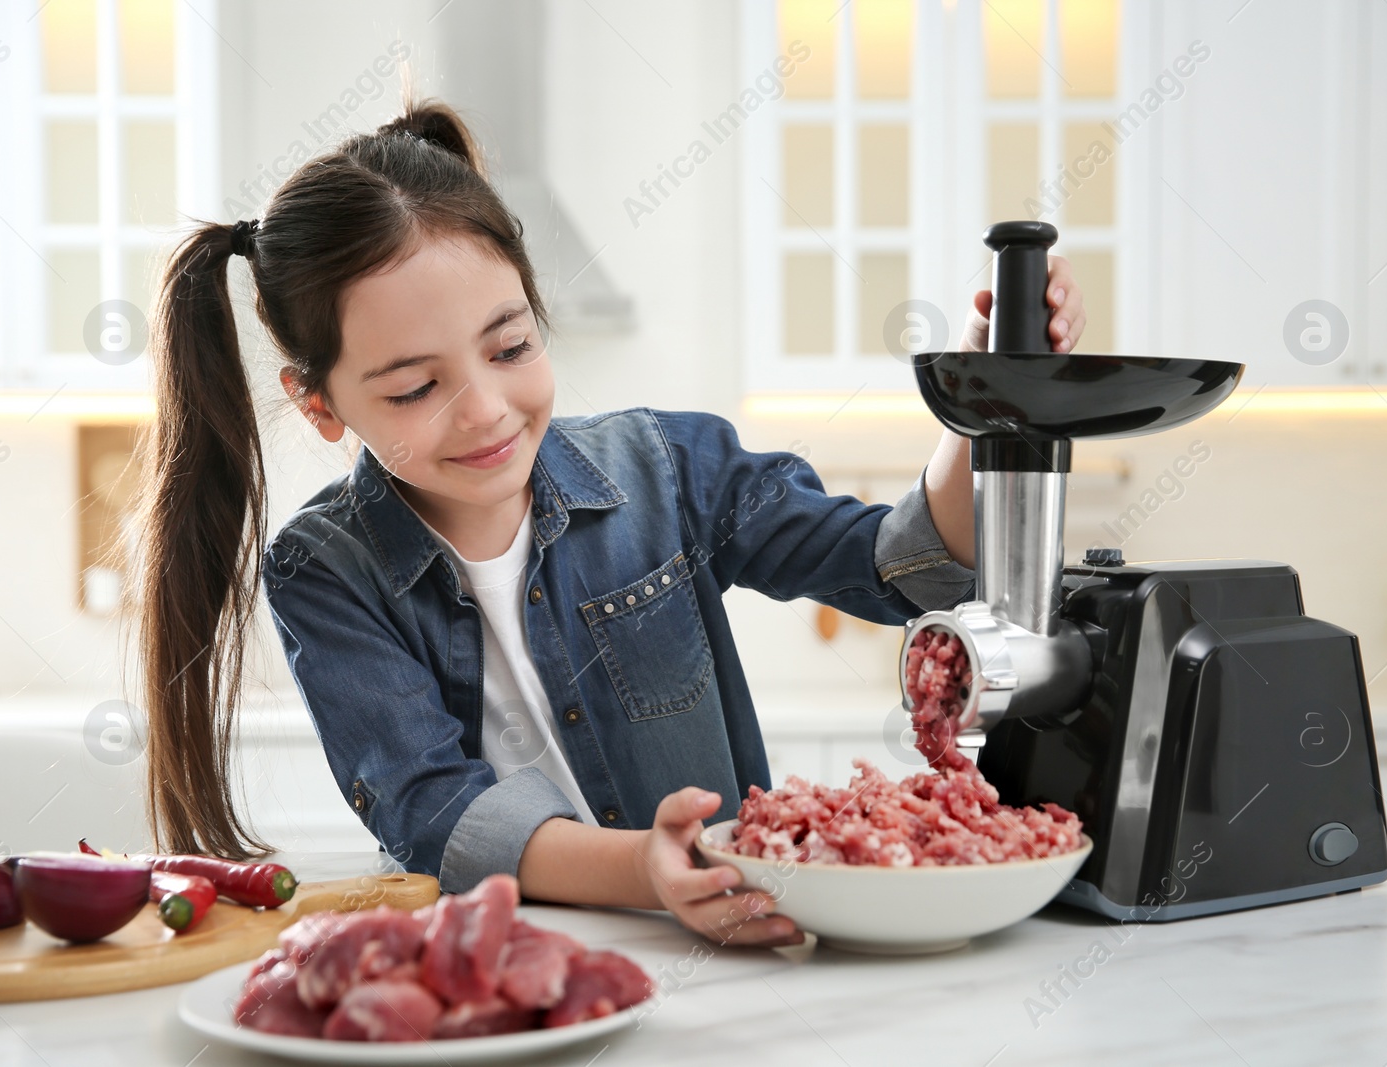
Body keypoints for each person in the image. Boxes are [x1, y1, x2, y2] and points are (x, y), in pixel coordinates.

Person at [135, 95, 1085, 948]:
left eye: (510, 346)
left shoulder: (663, 469)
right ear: (322, 405)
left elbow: (901, 568)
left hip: (737, 955)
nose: (485, 410)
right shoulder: (325, 569)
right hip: (517, 968)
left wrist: (985, 396)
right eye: (418, 386)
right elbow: (434, 812)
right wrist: (645, 869)